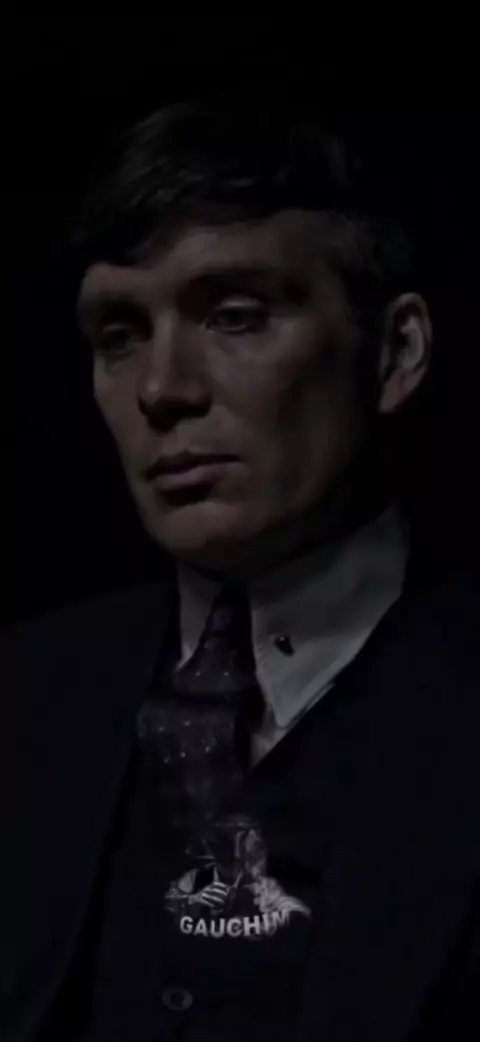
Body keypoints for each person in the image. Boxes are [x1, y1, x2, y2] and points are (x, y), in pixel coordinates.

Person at [4, 93, 480, 1041]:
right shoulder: (23, 692)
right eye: (120, 336)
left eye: (234, 316)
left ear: (397, 352)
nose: (162, 390)